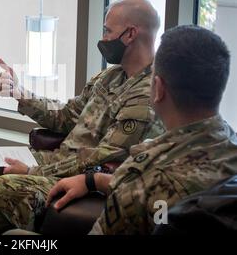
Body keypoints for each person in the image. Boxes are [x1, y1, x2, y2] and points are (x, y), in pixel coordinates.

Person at [0, 0, 165, 235]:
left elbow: (100, 160)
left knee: (6, 187)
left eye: (108, 31)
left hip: (88, 180)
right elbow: (67, 115)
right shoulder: (110, 77)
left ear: (130, 34)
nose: (103, 38)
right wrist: (21, 94)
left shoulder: (147, 94)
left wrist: (32, 172)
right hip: (60, 160)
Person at [46, 25, 237, 234]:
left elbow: (143, 192)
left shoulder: (143, 181)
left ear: (158, 88)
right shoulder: (228, 147)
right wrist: (95, 180)